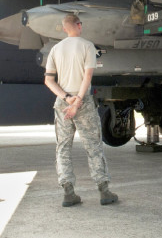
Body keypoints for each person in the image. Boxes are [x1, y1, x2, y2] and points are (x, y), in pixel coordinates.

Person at [44, 14, 118, 207]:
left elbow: (49, 80)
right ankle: (104, 191)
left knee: (63, 148)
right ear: (79, 25)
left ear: (64, 28)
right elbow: (87, 77)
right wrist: (77, 102)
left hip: (62, 104)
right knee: (93, 147)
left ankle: (68, 193)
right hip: (82, 102)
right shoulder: (87, 46)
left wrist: (67, 99)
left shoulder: (55, 49)